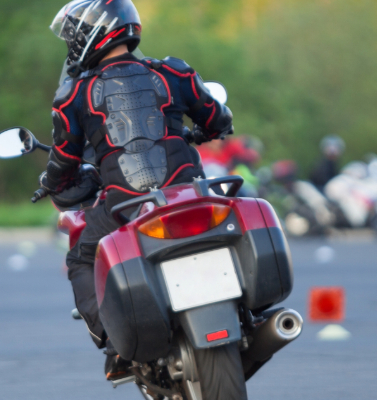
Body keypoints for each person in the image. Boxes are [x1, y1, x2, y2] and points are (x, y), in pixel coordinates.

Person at [41, 0, 233, 380]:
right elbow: (217, 118)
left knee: (81, 255)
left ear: (90, 34)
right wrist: (199, 133)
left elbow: (64, 159)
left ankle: (115, 345)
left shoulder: (74, 95)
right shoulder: (173, 72)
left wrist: (51, 183)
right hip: (188, 193)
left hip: (126, 206)